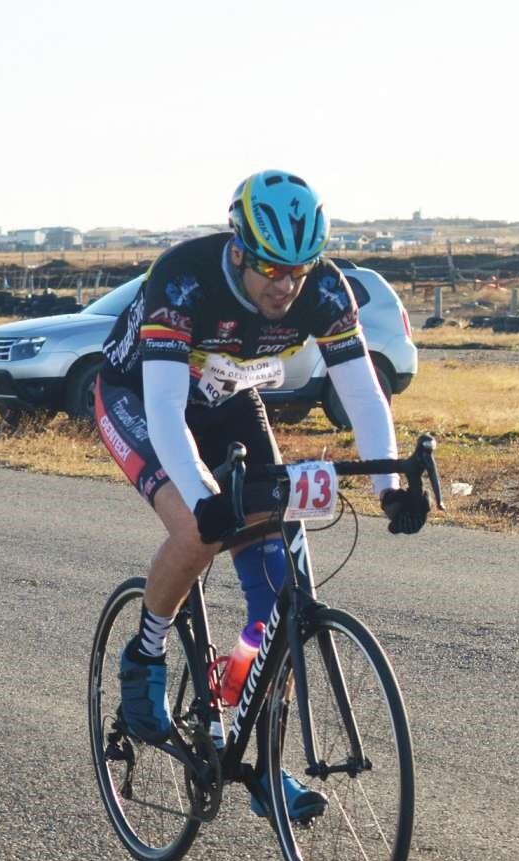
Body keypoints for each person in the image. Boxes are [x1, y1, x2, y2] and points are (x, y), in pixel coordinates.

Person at [95, 169, 429, 819]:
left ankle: (258, 765)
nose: (285, 287)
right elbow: (164, 411)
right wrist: (203, 495)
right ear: (240, 251)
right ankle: (145, 654)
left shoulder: (324, 290)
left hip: (226, 396)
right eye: (272, 270)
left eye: (298, 272)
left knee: (276, 598)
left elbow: (361, 392)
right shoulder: (184, 278)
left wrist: (389, 486)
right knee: (198, 528)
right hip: (138, 395)